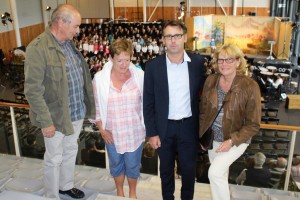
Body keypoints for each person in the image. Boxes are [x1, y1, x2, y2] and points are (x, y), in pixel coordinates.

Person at [24, 4, 95, 199]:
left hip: (75, 112)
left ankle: (66, 185)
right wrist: (45, 121)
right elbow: (32, 90)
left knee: (70, 151)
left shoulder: (69, 44)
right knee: (54, 158)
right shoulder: (38, 48)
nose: (78, 31)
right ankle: (52, 195)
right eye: (76, 26)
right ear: (61, 23)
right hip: (55, 118)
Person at [143, 20, 205, 200]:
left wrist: (203, 132)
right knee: (166, 171)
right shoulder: (153, 66)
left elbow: (203, 99)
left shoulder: (197, 63)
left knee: (188, 171)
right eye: (168, 36)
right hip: (164, 128)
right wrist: (152, 133)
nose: (173, 40)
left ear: (184, 37)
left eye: (177, 35)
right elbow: (148, 102)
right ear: (163, 39)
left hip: (189, 127)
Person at [199, 43, 261, 200]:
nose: (224, 64)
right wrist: (202, 134)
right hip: (214, 139)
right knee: (220, 176)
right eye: (221, 60)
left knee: (214, 173)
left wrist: (232, 141)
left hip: (236, 139)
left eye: (229, 60)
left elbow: (253, 124)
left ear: (238, 62)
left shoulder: (250, 86)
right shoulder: (211, 81)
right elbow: (204, 111)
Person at [91, 38, 145, 198]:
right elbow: (96, 107)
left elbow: (147, 104)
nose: (123, 64)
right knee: (116, 165)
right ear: (111, 58)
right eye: (119, 60)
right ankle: (120, 192)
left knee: (133, 165)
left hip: (135, 131)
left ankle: (133, 194)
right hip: (112, 133)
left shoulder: (140, 76)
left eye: (127, 60)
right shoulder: (100, 79)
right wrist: (102, 130)